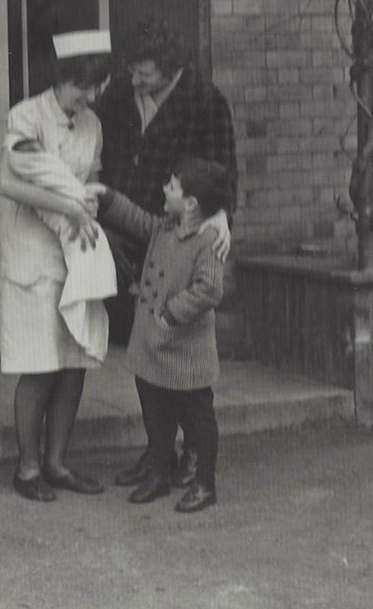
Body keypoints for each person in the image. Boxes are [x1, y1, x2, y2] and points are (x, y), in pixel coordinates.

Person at [97, 16, 238, 489]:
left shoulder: (205, 102)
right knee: (149, 359)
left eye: (145, 75)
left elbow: (222, 173)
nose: (135, 81)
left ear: (173, 69)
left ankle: (195, 454)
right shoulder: (120, 94)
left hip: (179, 240)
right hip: (137, 239)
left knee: (186, 367)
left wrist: (219, 219)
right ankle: (159, 452)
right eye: (132, 71)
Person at [0, 29, 112, 502]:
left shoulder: (92, 125)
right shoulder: (25, 116)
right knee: (40, 364)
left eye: (96, 88)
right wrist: (69, 206)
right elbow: (11, 184)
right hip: (33, 252)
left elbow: (95, 184)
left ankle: (57, 463)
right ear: (60, 79)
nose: (88, 97)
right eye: (81, 87)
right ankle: (26, 469)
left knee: (73, 361)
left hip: (75, 249)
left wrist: (86, 221)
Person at [96, 157, 232, 512]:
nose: (164, 189)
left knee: (199, 418)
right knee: (155, 410)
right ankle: (159, 469)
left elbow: (209, 289)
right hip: (153, 344)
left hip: (186, 350)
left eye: (171, 186)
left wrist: (171, 313)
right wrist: (107, 197)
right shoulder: (166, 227)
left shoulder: (208, 241)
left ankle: (205, 482)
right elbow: (137, 220)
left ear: (190, 203)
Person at [8, 138, 117, 363]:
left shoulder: (86, 134)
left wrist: (84, 198)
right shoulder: (36, 179)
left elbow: (74, 189)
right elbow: (58, 193)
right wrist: (76, 202)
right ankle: (78, 311)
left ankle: (81, 313)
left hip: (73, 235)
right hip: (48, 252)